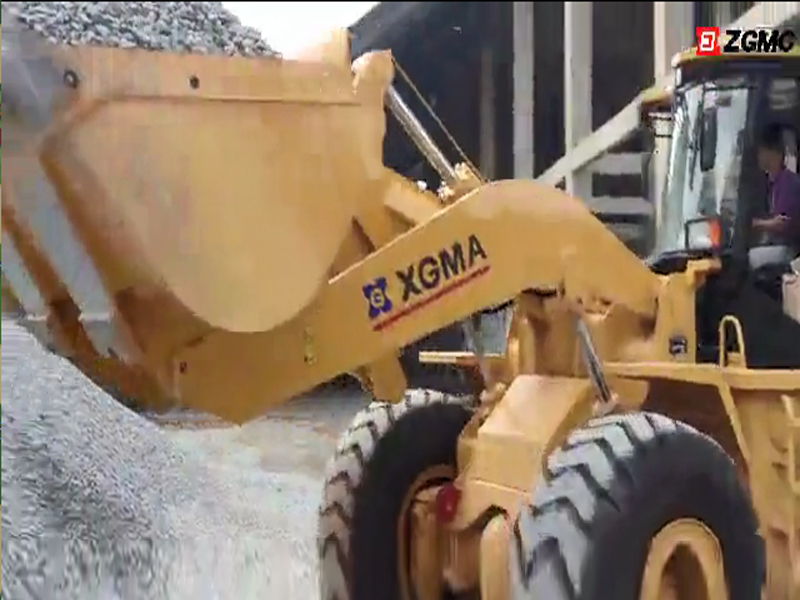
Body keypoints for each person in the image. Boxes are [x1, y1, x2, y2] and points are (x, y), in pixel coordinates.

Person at [753, 122, 800, 256]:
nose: (758, 156)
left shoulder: (790, 183)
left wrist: (754, 224)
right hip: (774, 244)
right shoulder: (768, 184)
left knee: (751, 258)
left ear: (775, 153)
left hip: (789, 249)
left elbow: (782, 224)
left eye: (761, 151)